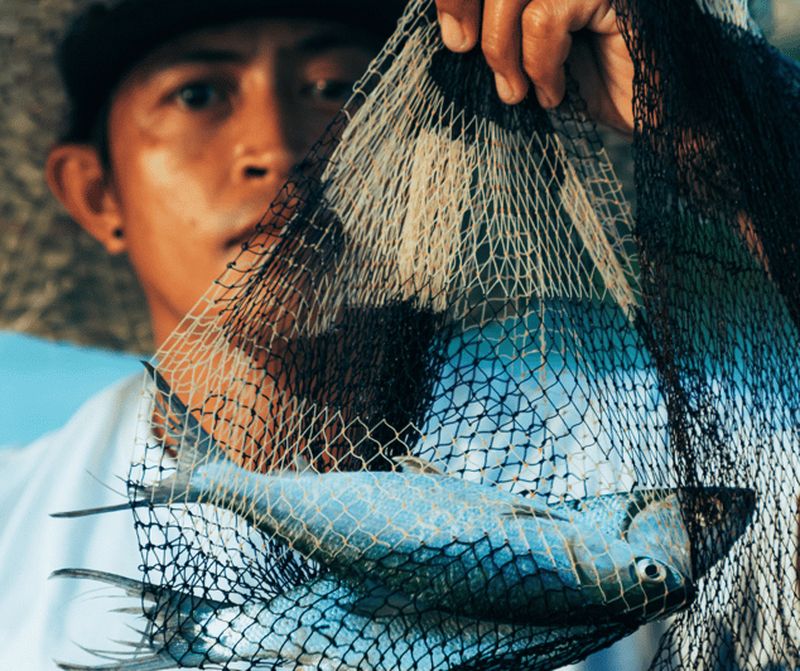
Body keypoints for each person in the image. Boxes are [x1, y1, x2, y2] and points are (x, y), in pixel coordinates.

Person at [0, 0, 646, 668]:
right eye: (197, 95)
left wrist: (692, 123)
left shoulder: (628, 454)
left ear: (426, 152)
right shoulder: (11, 522)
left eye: (335, 87)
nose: (277, 148)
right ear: (97, 194)